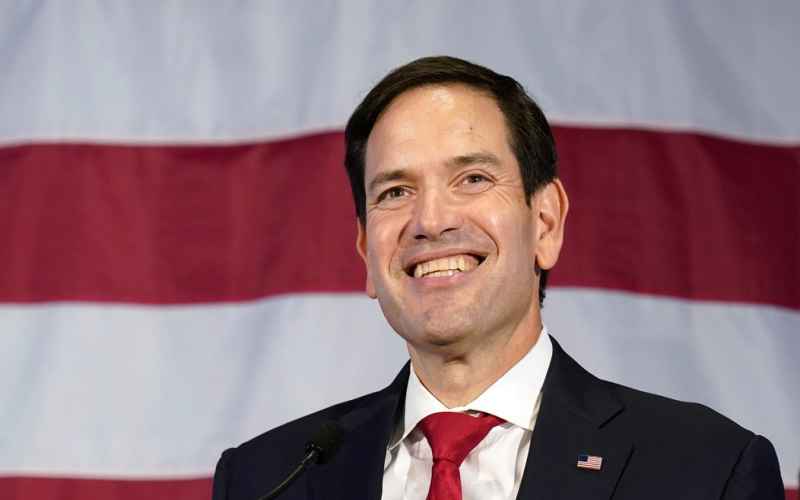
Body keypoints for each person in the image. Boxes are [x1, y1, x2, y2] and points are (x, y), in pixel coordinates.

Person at [212, 56, 784, 499]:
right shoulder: (269, 477)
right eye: (395, 192)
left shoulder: (706, 470)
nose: (430, 220)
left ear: (546, 222)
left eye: (473, 179)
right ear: (366, 252)